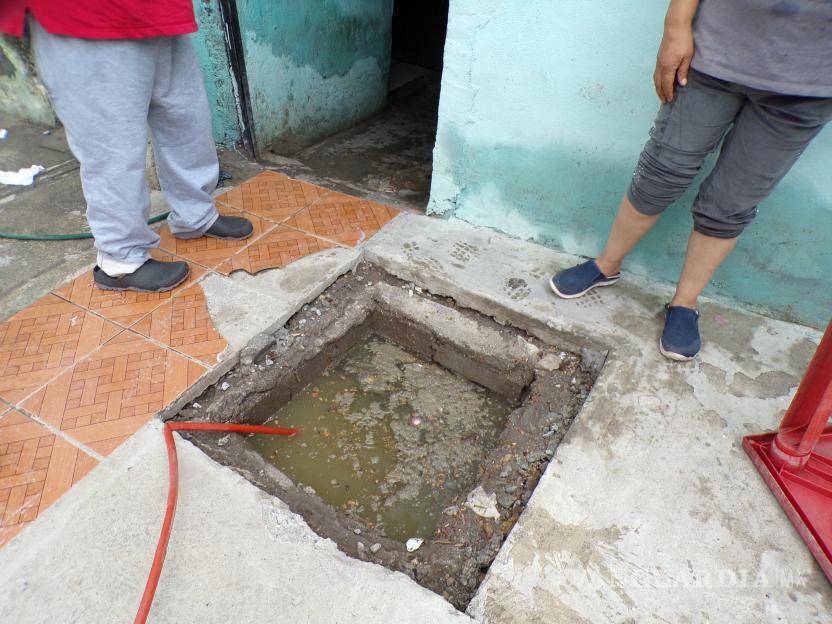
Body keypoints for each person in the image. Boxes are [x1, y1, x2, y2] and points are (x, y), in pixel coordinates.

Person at [550, 0, 832, 361]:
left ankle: (684, 303)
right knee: (661, 172)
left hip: (809, 87)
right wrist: (676, 23)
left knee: (732, 203)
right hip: (713, 54)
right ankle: (607, 264)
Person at [0, 2, 253, 292]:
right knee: (112, 148)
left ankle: (195, 216)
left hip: (161, 14)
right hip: (82, 17)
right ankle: (120, 260)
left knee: (186, 120)